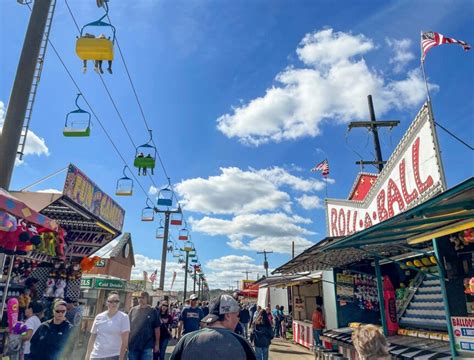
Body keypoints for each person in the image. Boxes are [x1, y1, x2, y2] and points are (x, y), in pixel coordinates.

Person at [171, 294, 256, 360]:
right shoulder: (242, 343)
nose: (238, 319)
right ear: (228, 315)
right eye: (238, 315)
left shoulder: (186, 340)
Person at [85, 292, 130, 360]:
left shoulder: (124, 317)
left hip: (114, 355)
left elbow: (125, 340)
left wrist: (121, 358)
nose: (114, 303)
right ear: (107, 303)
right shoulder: (99, 317)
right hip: (96, 355)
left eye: (116, 301)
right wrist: (87, 356)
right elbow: (92, 337)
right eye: (111, 301)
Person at [128, 291, 161, 360]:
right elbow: (128, 327)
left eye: (142, 297)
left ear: (147, 299)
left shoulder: (153, 311)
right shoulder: (133, 310)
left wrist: (157, 344)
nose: (140, 299)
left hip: (147, 346)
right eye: (139, 297)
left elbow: (157, 328)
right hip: (133, 345)